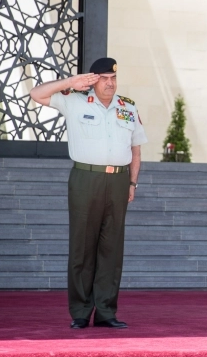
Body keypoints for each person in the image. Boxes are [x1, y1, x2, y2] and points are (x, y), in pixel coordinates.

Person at [29, 57, 147, 329]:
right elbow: (36, 94)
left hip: (118, 181)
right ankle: (81, 311)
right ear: (93, 80)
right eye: (104, 79)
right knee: (82, 247)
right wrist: (71, 82)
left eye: (113, 78)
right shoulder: (74, 100)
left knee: (111, 249)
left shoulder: (128, 107)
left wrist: (132, 184)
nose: (110, 83)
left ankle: (106, 311)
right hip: (86, 178)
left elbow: (136, 150)